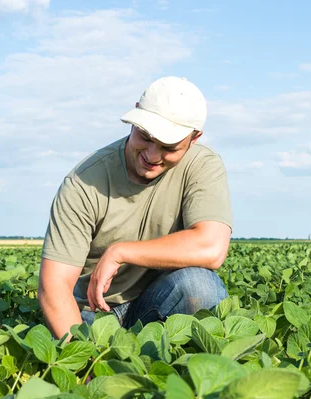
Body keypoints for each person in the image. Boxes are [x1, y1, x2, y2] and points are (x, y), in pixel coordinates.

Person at [38, 76, 233, 338]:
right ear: (136, 115)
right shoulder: (85, 181)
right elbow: (54, 286)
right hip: (92, 312)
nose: (152, 155)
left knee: (201, 288)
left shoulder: (203, 166)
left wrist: (121, 252)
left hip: (154, 302)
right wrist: (83, 361)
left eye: (169, 147)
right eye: (145, 136)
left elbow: (211, 248)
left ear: (194, 138)